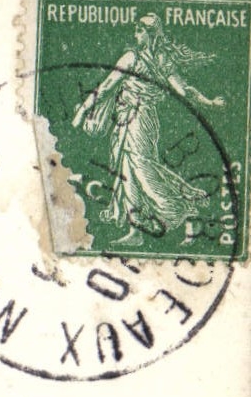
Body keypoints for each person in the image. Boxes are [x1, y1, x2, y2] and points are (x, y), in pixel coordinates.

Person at [72, 14, 224, 242]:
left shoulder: (133, 58)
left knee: (142, 170)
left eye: (139, 30)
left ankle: (179, 207)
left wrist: (82, 111)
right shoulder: (162, 61)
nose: (135, 35)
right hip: (134, 120)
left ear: (149, 33)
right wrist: (208, 101)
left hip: (138, 120)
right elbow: (184, 90)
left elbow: (105, 87)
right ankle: (136, 231)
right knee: (128, 172)